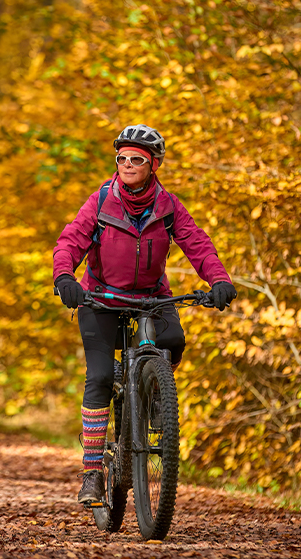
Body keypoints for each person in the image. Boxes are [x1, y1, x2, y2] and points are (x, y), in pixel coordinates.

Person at [52, 124, 238, 507]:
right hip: (100, 297)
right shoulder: (102, 201)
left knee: (174, 340)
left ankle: (156, 395)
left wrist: (218, 279)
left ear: (153, 165)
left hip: (150, 298)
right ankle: (92, 472)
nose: (128, 164)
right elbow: (72, 239)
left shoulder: (167, 206)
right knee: (101, 376)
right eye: (122, 158)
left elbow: (196, 243)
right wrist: (65, 276)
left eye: (137, 159)